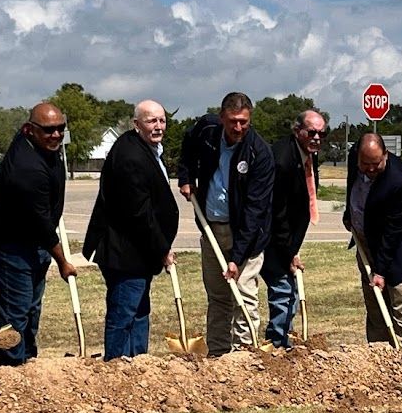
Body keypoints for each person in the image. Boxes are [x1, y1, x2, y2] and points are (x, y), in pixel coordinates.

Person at [177, 92, 274, 356]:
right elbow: (187, 147)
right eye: (233, 121)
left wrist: (237, 258)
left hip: (247, 234)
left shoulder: (259, 153)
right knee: (218, 295)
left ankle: (244, 357)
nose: (238, 127)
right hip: (211, 229)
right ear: (222, 118)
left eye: (243, 121)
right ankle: (218, 355)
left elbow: (255, 211)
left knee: (243, 294)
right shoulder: (207, 130)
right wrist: (185, 176)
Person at [83, 100, 180, 360]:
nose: (158, 126)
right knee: (124, 312)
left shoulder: (145, 148)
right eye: (151, 121)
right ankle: (117, 366)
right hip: (126, 252)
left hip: (138, 251)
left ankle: (138, 364)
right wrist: (162, 248)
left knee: (138, 310)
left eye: (161, 120)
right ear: (136, 124)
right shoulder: (131, 156)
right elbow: (139, 214)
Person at [0, 102, 76, 366]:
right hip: (11, 246)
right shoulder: (26, 169)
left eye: (60, 128)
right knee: (16, 311)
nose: (56, 135)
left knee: (32, 308)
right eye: (48, 130)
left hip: (33, 243)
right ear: (29, 130)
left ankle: (28, 363)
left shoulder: (41, 146)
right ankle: (12, 368)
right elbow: (42, 227)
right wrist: (63, 262)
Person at [343, 133, 402, 348]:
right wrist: (349, 213)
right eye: (365, 163)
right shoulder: (356, 157)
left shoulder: (398, 182)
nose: (370, 168)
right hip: (366, 240)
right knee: (375, 302)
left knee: (401, 302)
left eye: (376, 163)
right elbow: (352, 184)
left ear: (386, 155)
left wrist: (380, 271)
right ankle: (378, 353)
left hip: (398, 247)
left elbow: (393, 231)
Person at [261, 109, 326, 348]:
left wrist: (293, 250)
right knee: (284, 290)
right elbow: (278, 214)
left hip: (286, 239)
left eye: (321, 133)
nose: (317, 138)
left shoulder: (307, 154)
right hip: (269, 238)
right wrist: (289, 253)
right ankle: (277, 344)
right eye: (311, 132)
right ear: (297, 130)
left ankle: (282, 337)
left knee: (290, 291)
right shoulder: (283, 161)